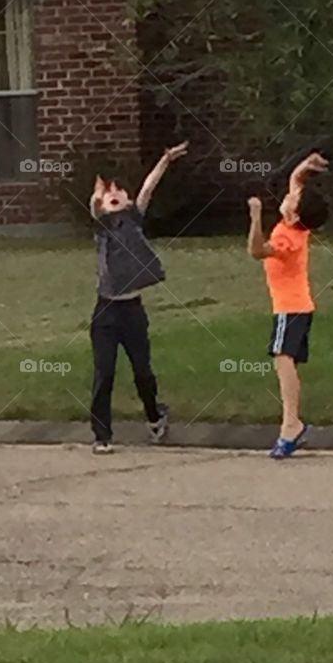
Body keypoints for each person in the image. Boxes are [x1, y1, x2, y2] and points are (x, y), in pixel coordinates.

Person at [88, 143, 189, 454]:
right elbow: (94, 206)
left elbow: (148, 188)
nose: (115, 192)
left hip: (132, 310)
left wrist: (165, 159)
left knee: (142, 371)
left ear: (128, 200)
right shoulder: (102, 227)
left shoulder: (134, 219)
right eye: (110, 192)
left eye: (121, 189)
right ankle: (101, 435)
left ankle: (154, 417)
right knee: (104, 372)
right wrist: (98, 195)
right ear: (103, 203)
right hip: (105, 313)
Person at [247, 151, 329, 459]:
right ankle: (291, 422)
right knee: (285, 362)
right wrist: (305, 167)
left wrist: (255, 216)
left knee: (283, 361)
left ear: (294, 215)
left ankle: (291, 423)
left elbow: (256, 251)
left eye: (293, 200)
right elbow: (295, 182)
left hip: (290, 308)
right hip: (297, 307)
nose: (289, 197)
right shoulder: (295, 224)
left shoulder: (288, 241)